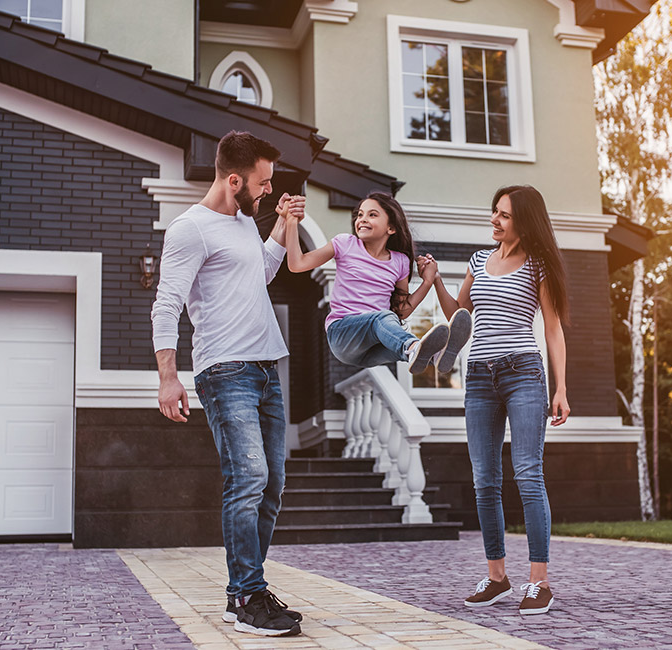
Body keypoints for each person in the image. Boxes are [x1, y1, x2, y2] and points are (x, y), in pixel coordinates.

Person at [150, 130, 305, 638]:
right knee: (249, 479)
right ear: (233, 178)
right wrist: (168, 378)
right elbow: (166, 303)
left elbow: (260, 273)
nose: (265, 192)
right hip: (226, 371)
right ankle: (243, 596)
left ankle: (252, 588)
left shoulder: (242, 223)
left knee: (273, 486)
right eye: (261, 185)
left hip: (266, 368)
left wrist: (283, 225)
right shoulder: (189, 230)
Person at [424, 185, 571, 616]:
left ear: (523, 221)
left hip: (523, 372)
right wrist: (434, 283)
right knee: (484, 479)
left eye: (504, 215)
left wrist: (560, 388)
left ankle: (539, 582)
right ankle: (497, 577)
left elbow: (553, 329)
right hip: (480, 378)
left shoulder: (538, 265)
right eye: (495, 212)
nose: (494, 220)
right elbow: (458, 316)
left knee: (527, 473)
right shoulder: (477, 261)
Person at [283, 191, 472, 375]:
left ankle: (437, 354)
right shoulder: (345, 244)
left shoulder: (400, 261)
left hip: (371, 347)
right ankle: (413, 347)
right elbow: (297, 264)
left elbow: (402, 311)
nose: (362, 219)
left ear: (391, 228)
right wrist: (291, 222)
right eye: (360, 215)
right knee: (384, 320)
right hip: (342, 334)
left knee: (397, 340)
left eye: (372, 215)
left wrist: (428, 281)